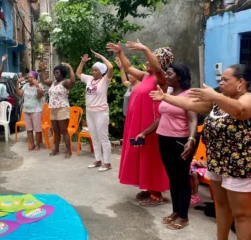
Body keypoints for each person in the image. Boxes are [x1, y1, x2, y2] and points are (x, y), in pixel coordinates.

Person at [150, 64, 251, 239]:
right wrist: (165, 97)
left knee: (241, 214)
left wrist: (214, 95)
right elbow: (189, 104)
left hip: (239, 166)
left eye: (226, 80)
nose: (221, 83)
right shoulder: (218, 101)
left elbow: (240, 111)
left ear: (240, 82)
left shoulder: (247, 98)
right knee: (221, 205)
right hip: (217, 161)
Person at [107, 40, 174, 206]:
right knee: (141, 154)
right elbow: (128, 68)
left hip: (151, 122)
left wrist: (145, 48)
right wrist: (120, 53)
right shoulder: (146, 77)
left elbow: (157, 68)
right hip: (138, 121)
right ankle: (148, 187)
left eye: (151, 59)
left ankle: (156, 193)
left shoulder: (161, 78)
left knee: (152, 155)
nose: (146, 62)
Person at [136, 63, 198, 229]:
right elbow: (161, 118)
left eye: (169, 74)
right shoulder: (168, 93)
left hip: (181, 141)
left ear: (179, 76)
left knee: (182, 178)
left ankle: (184, 217)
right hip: (164, 139)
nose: (166, 76)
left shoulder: (189, 94)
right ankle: (176, 211)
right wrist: (145, 132)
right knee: (172, 177)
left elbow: (193, 119)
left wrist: (191, 139)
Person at [75, 51, 113, 172]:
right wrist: (82, 62)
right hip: (90, 112)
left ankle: (107, 162)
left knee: (103, 137)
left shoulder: (105, 80)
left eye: (96, 70)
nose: (92, 72)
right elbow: (78, 73)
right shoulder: (89, 79)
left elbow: (111, 67)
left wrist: (101, 57)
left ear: (101, 72)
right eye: (92, 70)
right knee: (94, 137)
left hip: (101, 112)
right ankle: (98, 160)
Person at [40, 62, 75, 158]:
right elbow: (44, 80)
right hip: (53, 109)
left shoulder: (65, 82)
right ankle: (56, 149)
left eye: (57, 73)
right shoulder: (53, 83)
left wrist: (70, 67)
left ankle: (69, 151)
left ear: (62, 73)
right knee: (56, 131)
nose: (56, 75)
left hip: (62, 109)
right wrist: (43, 70)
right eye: (55, 73)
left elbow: (73, 81)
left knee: (64, 131)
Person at [16, 71, 44, 151]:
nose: (29, 79)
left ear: (35, 78)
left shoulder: (39, 86)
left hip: (36, 110)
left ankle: (37, 144)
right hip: (26, 110)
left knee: (37, 129)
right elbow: (19, 94)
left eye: (31, 77)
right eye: (28, 77)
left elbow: (39, 96)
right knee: (29, 129)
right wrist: (17, 83)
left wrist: (37, 85)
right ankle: (32, 144)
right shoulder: (25, 86)